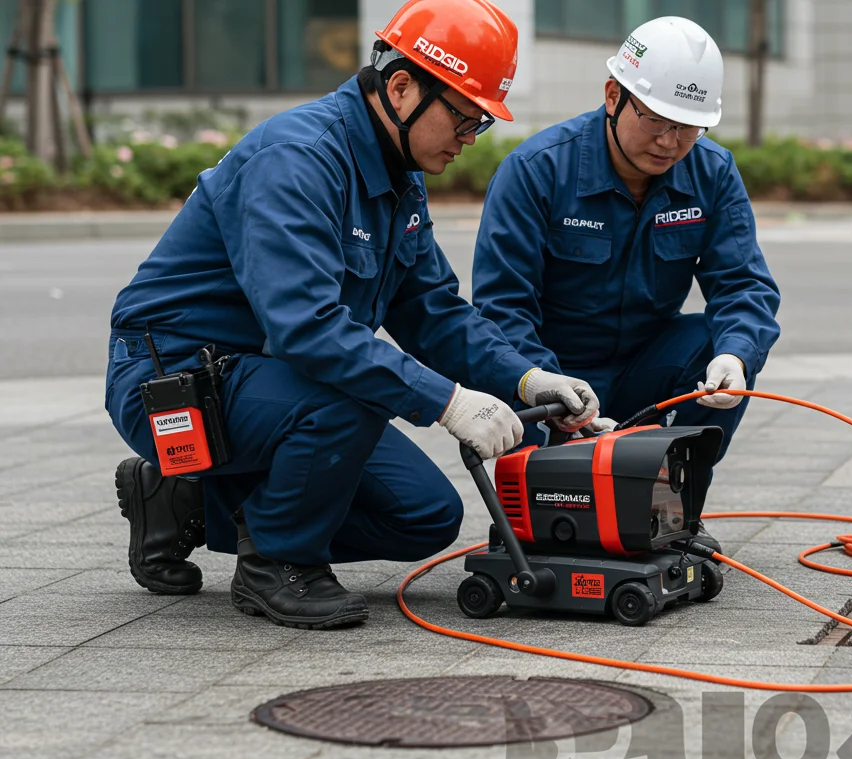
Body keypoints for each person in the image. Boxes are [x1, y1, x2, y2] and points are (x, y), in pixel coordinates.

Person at [105, 0, 600, 630]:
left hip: (269, 381)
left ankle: (189, 500)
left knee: (422, 516)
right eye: (465, 121)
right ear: (401, 88)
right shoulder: (297, 161)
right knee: (351, 393)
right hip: (172, 383)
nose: (467, 142)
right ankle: (277, 563)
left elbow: (431, 309)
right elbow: (309, 329)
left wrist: (526, 379)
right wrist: (448, 402)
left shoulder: (395, 175)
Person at [470, 16, 782, 475]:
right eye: (656, 119)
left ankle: (671, 502)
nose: (669, 142)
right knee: (555, 508)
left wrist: (734, 358)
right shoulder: (537, 171)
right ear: (613, 96)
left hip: (646, 365)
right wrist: (545, 384)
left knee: (717, 342)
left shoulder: (711, 172)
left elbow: (743, 285)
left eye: (689, 127)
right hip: (553, 372)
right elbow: (503, 308)